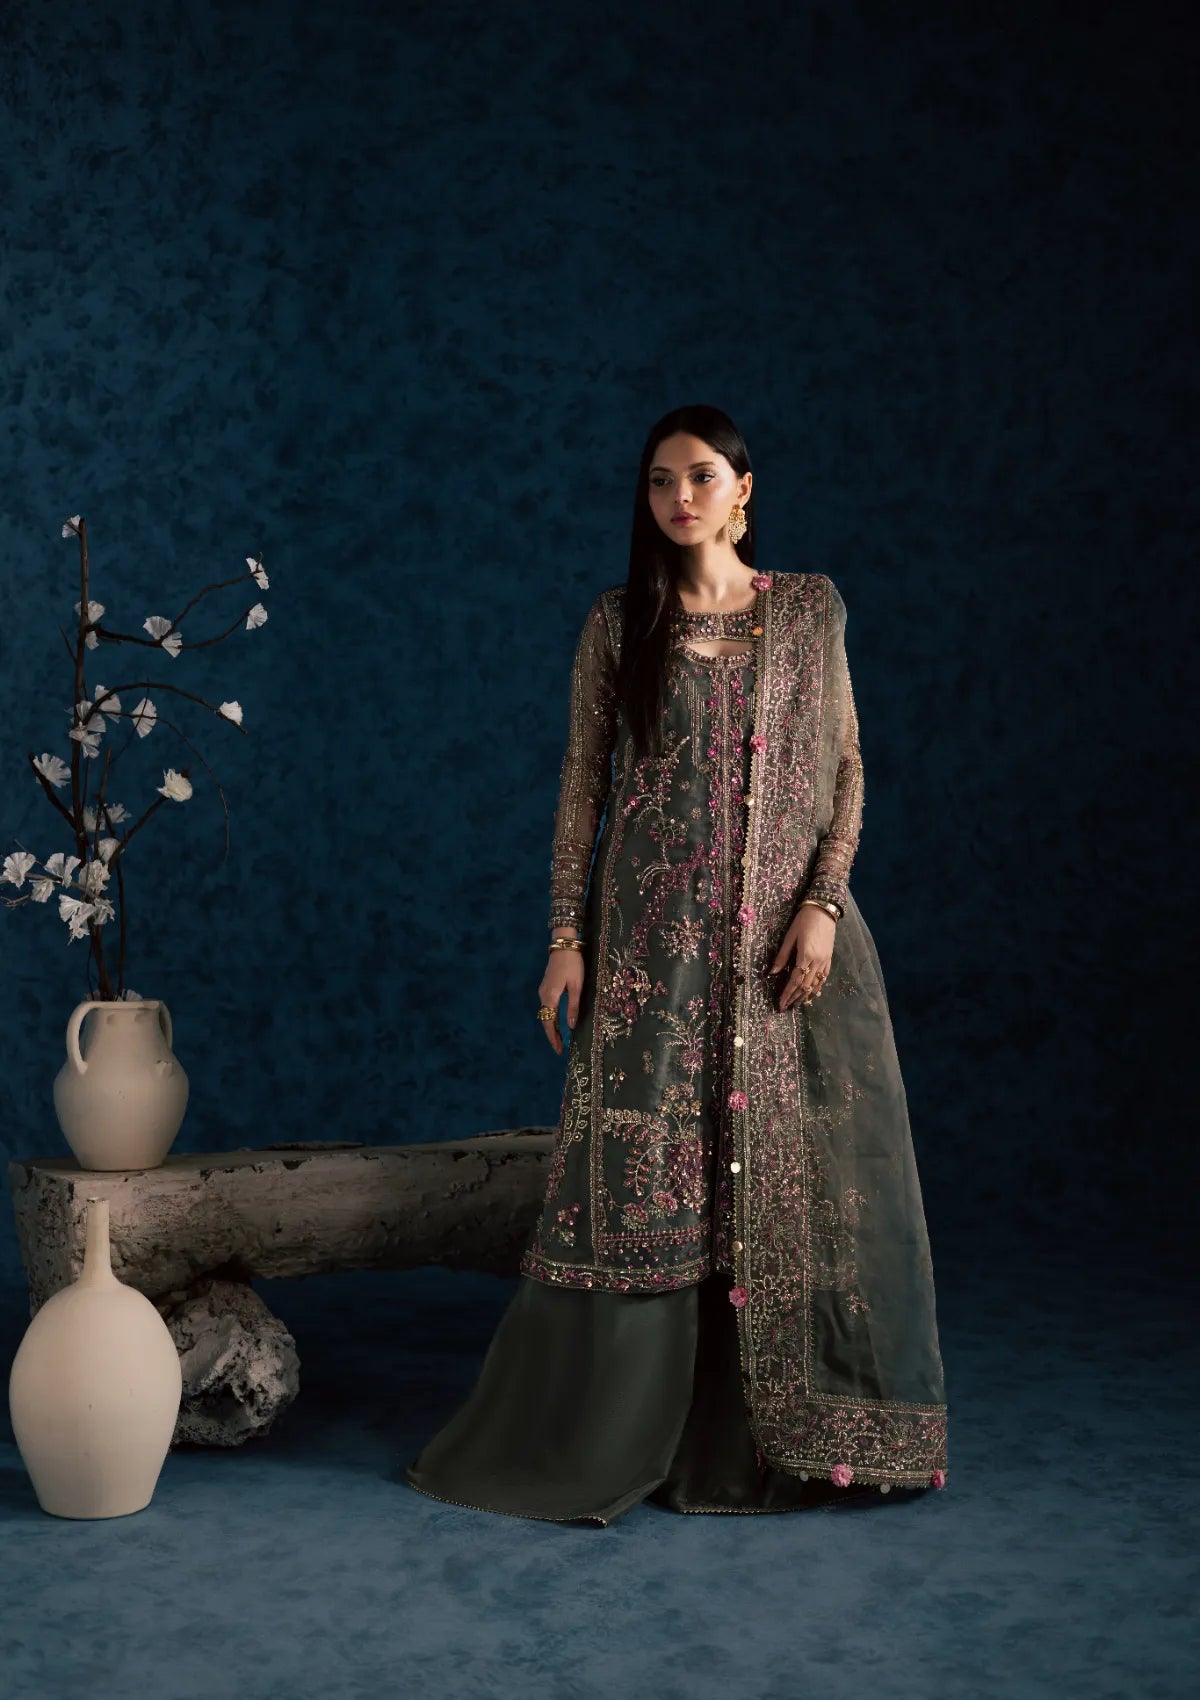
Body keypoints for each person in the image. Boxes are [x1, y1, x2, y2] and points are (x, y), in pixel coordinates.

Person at [404, 404, 949, 1524]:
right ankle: (617, 1429)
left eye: (701, 476)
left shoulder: (806, 611)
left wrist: (822, 907)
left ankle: (784, 1434)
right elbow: (584, 788)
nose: (680, 498)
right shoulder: (620, 624)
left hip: (779, 952)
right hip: (652, 958)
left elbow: (847, 769)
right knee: (648, 1174)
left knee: (794, 1173)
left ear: (744, 489)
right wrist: (566, 937)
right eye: (660, 481)